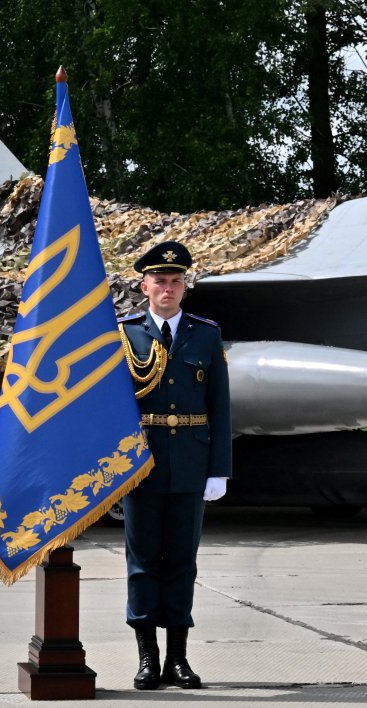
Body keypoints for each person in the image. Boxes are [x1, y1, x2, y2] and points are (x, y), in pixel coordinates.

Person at [117, 240, 232, 690]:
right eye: (160, 281)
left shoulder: (205, 334)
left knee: (183, 561)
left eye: (176, 281)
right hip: (141, 462)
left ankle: (178, 659)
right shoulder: (125, 333)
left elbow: (219, 404)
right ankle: (147, 658)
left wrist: (219, 468)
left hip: (190, 461)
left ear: (186, 286)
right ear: (144, 287)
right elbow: (111, 407)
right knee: (143, 562)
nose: (168, 288)